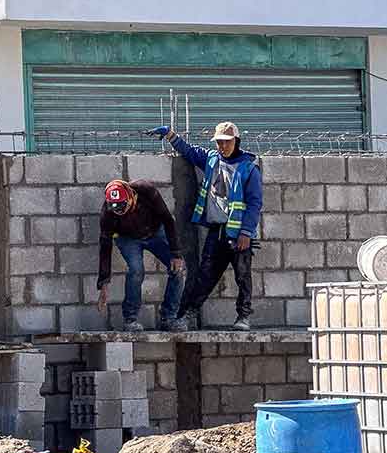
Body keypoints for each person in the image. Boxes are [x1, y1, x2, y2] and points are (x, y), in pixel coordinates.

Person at [145, 122, 262, 331]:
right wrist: (170, 134)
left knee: (243, 276)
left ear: (236, 141)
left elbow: (254, 204)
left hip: (239, 235)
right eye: (219, 142)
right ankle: (189, 315)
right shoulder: (212, 159)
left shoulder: (248, 169)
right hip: (217, 232)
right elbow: (189, 151)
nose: (222, 146)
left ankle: (243, 316)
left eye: (226, 142)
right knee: (205, 276)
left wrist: (246, 232)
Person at [95, 179, 187, 332]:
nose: (120, 212)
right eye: (116, 209)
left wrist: (176, 254)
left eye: (124, 207)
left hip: (155, 232)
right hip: (128, 239)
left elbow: (167, 219)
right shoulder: (108, 213)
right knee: (136, 271)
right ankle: (130, 319)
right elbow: (105, 246)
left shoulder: (146, 191)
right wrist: (103, 283)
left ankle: (168, 318)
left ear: (131, 197)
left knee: (179, 269)